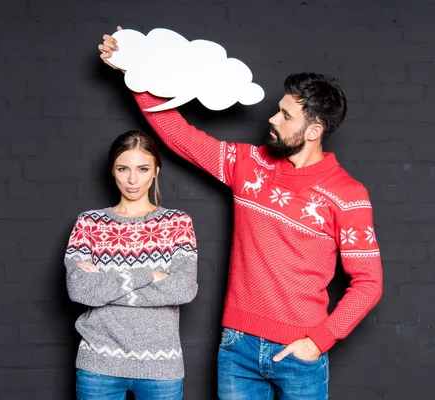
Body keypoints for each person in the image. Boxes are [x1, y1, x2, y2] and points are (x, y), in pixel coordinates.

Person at [98, 29, 383, 400]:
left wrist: (319, 341)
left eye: (285, 115)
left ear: (313, 130)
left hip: (300, 353)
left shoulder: (348, 195)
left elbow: (368, 283)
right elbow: (177, 134)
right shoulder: (247, 164)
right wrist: (134, 68)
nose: (272, 119)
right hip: (237, 348)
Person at [64, 130, 198, 400]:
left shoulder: (177, 223)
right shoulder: (89, 223)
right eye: (123, 168)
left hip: (162, 366)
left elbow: (183, 289)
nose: (133, 179)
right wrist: (148, 274)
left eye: (142, 168)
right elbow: (80, 291)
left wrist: (107, 284)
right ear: (113, 171)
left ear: (155, 171)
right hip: (98, 364)